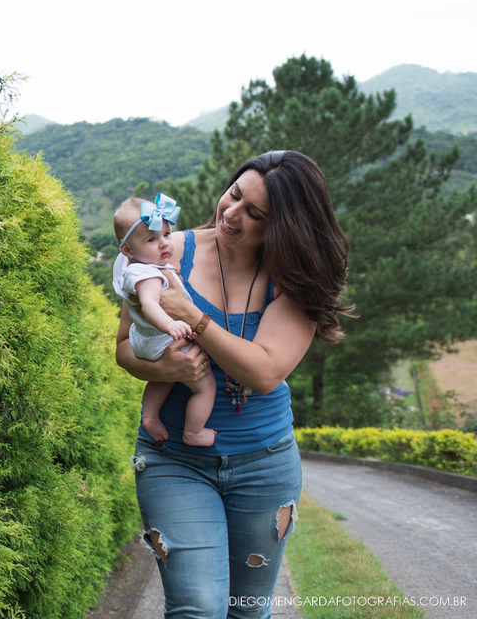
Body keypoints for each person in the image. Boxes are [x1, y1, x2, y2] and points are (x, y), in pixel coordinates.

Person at [115, 150, 351, 619]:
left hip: (265, 466)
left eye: (254, 212)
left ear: (284, 227)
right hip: (175, 460)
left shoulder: (294, 279)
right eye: (234, 195)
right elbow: (125, 347)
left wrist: (195, 319)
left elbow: (265, 372)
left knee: (247, 610)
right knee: (198, 608)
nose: (231, 213)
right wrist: (171, 371)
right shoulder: (166, 251)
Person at [112, 193, 217, 447]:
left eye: (166, 235)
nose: (164, 244)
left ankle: (149, 416)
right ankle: (194, 432)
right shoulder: (148, 275)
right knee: (206, 387)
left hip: (144, 338)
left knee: (163, 377)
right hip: (161, 337)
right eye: (151, 239)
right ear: (127, 250)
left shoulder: (144, 267)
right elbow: (149, 304)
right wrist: (170, 325)